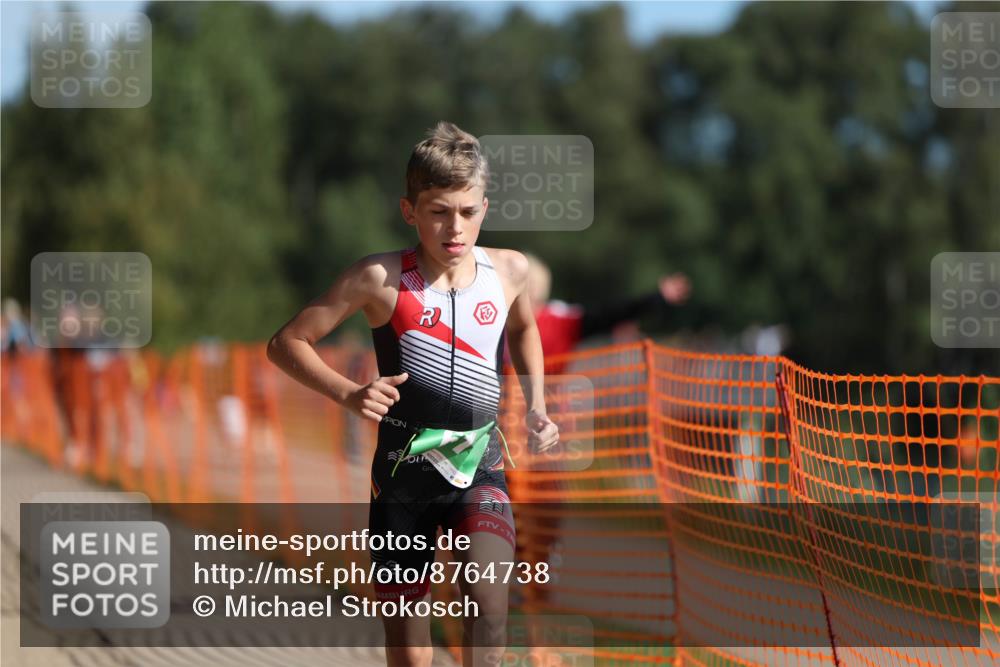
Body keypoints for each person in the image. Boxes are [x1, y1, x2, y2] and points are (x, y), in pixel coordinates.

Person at [267, 121, 559, 667]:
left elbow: (522, 329)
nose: (455, 228)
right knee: (410, 651)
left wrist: (537, 403)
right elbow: (287, 342)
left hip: (481, 464)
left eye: (468, 212)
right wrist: (350, 394)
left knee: (489, 609)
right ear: (409, 211)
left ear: (485, 209)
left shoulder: (510, 271)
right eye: (438, 211)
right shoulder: (379, 279)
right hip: (403, 476)